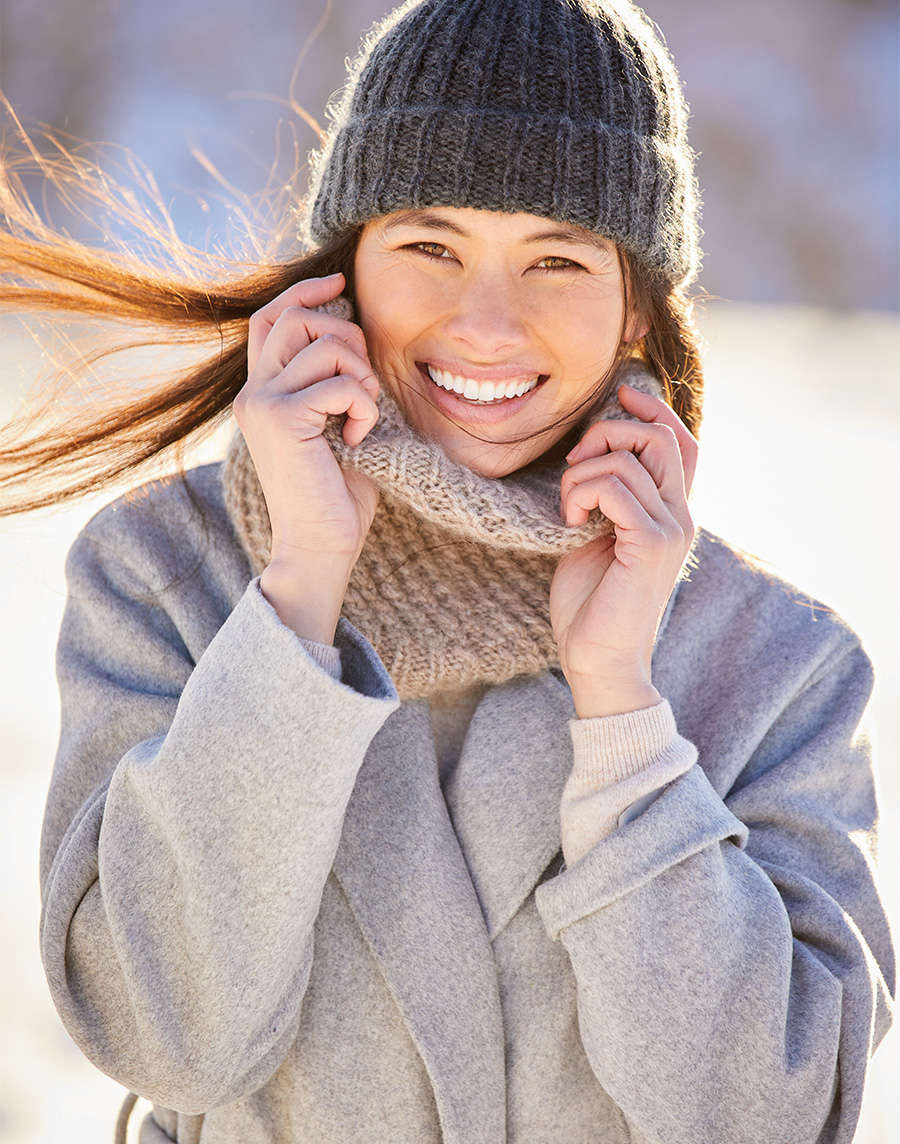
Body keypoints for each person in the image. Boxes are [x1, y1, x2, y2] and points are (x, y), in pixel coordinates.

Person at [0, 0, 892, 1141]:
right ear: (342, 273)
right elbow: (164, 1036)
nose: (486, 323)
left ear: (636, 310)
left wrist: (621, 709)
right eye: (430, 245)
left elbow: (774, 1118)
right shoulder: (166, 577)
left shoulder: (778, 665)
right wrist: (300, 589)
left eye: (558, 258)